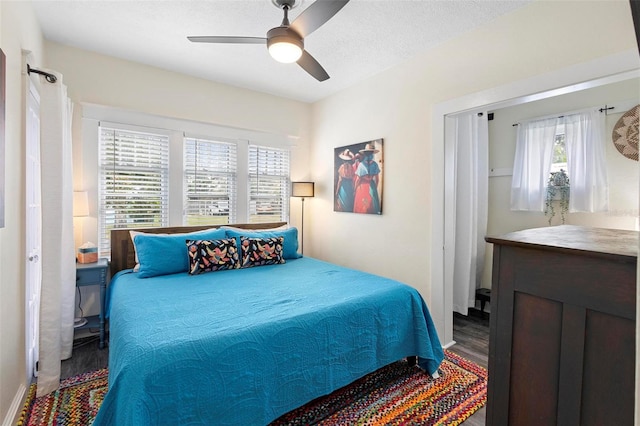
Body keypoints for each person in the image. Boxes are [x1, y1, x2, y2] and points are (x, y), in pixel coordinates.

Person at [353, 143, 381, 214]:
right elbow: (377, 179)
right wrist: (374, 188)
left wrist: (355, 189)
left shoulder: (361, 165)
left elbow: (358, 179)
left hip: (362, 187)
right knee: (372, 207)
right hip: (371, 185)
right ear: (372, 153)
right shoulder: (375, 164)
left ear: (365, 154)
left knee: (361, 208)